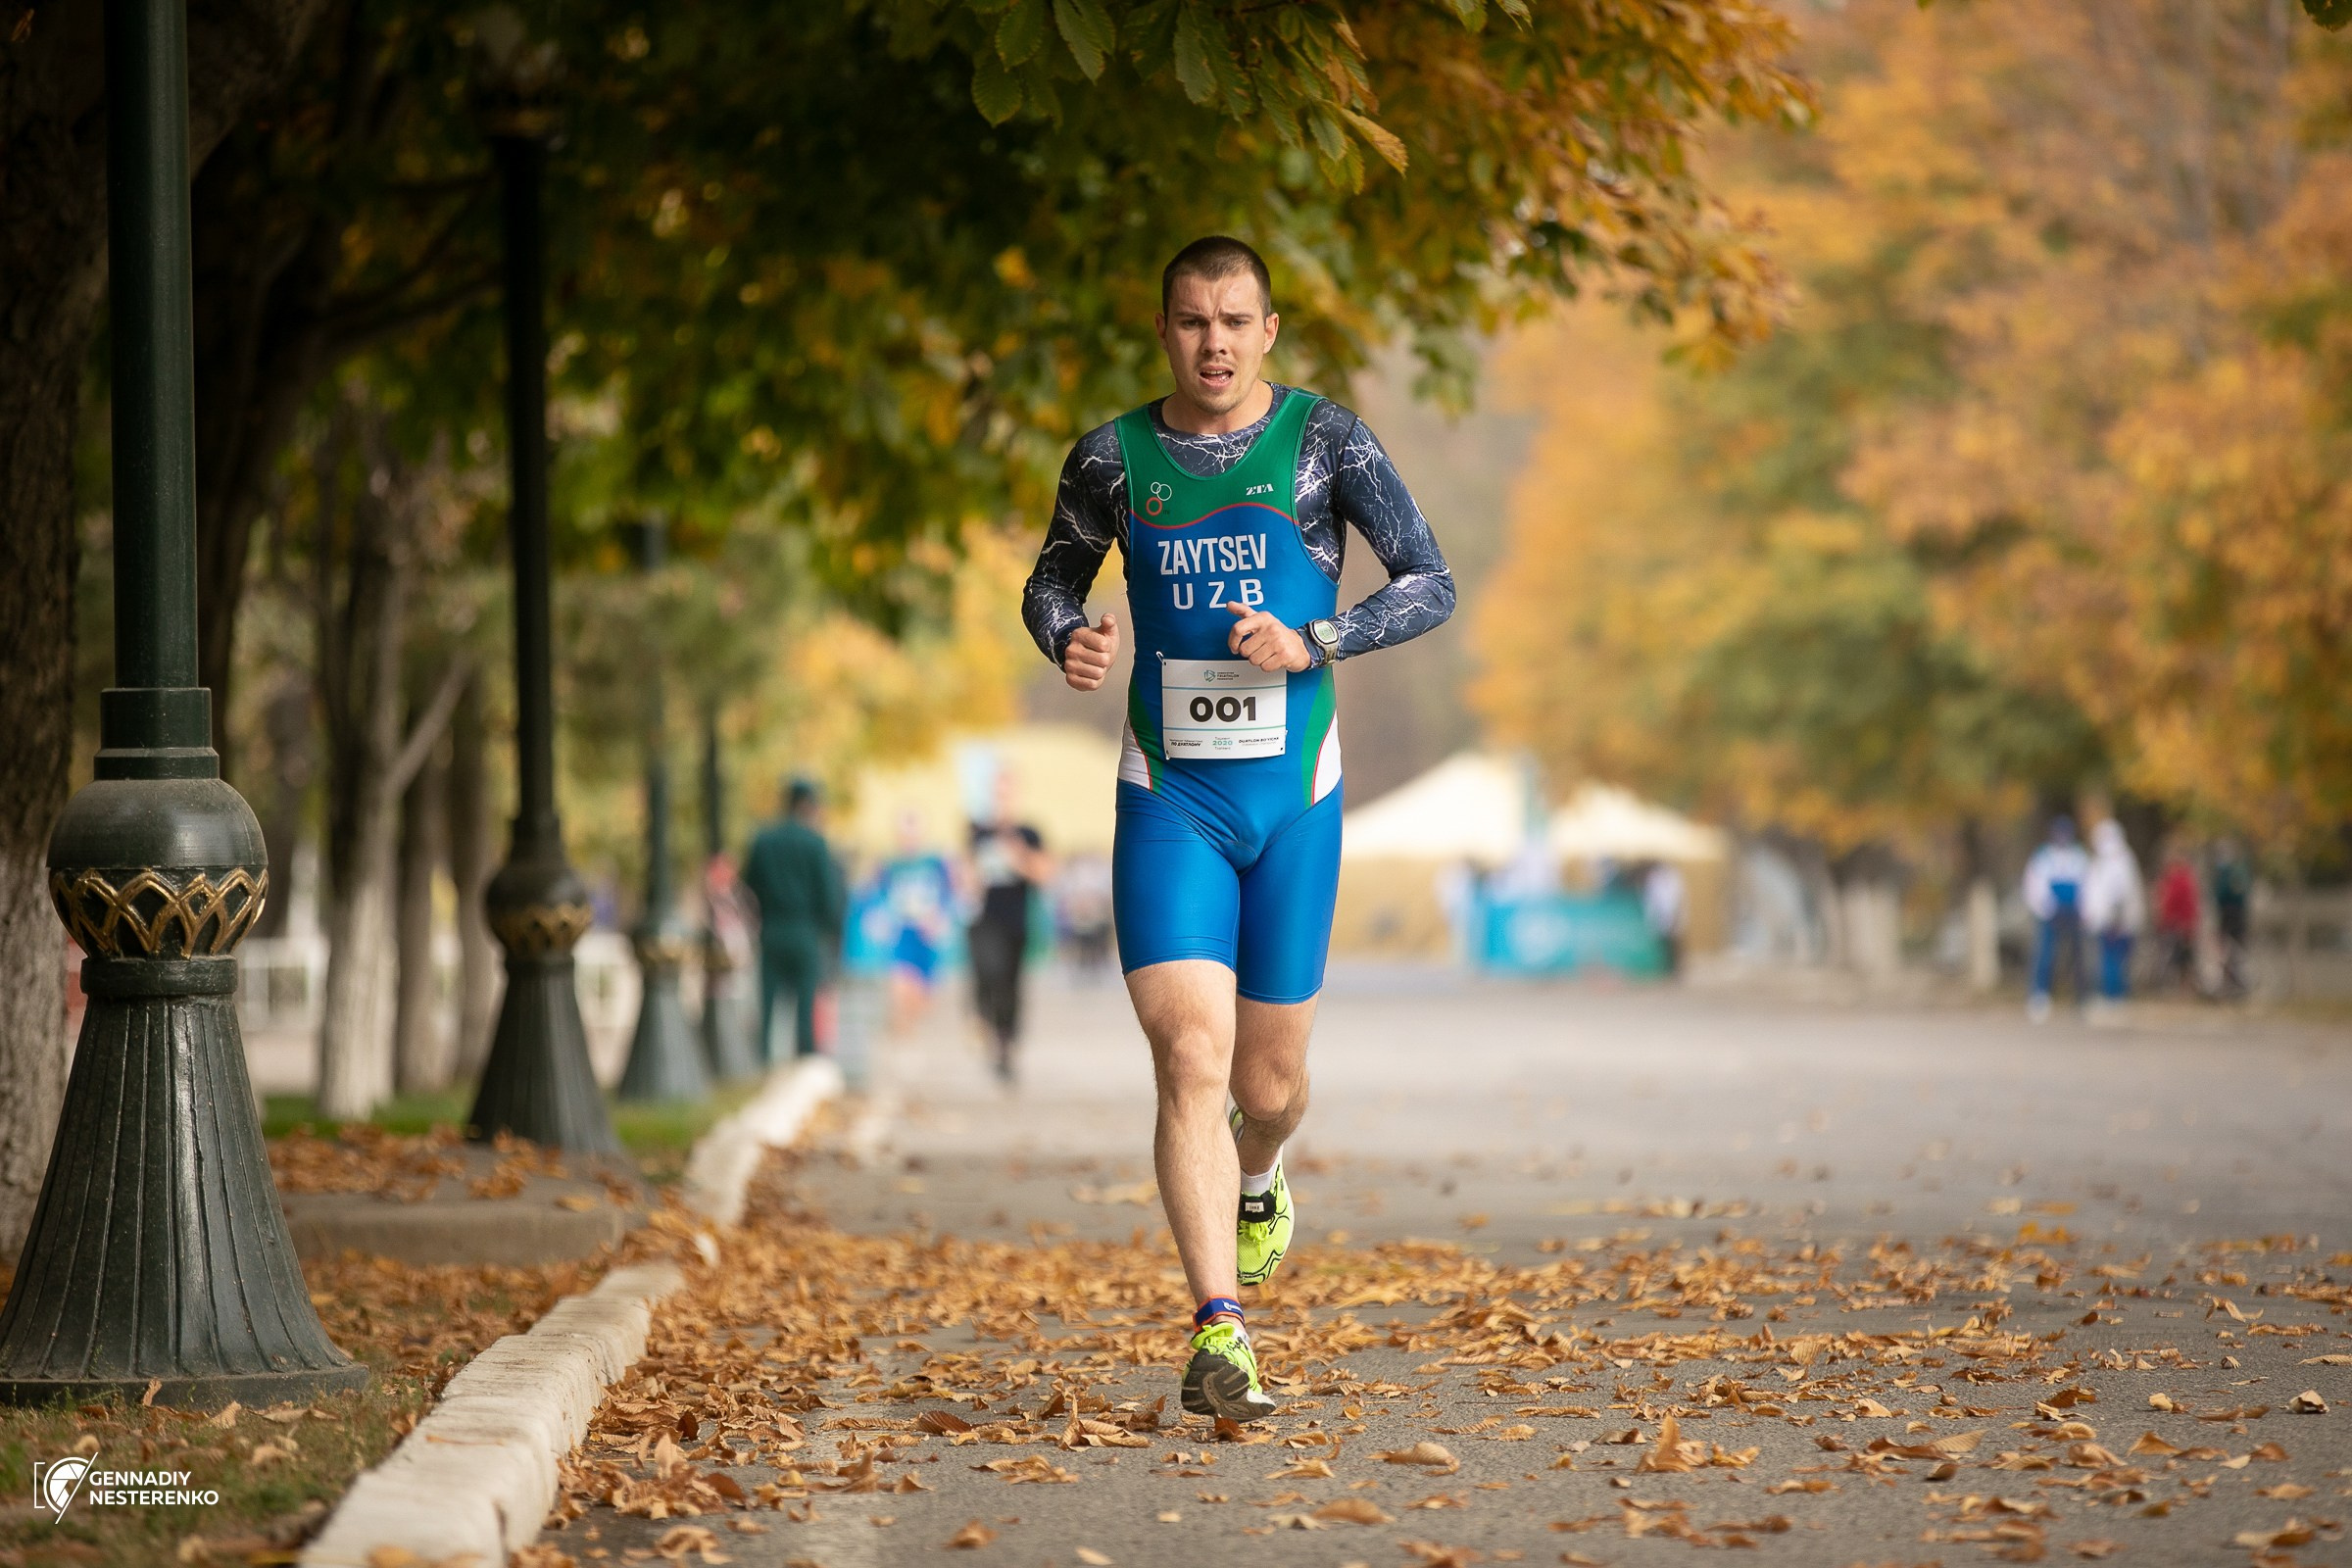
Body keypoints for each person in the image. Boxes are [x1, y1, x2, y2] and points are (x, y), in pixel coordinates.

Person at [1022, 235, 1454, 1421]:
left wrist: (1320, 638)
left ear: (1268, 330)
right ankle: (1220, 1329)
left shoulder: (1326, 440)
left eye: (1234, 320)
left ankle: (1261, 1173)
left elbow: (1428, 579)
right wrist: (1070, 636)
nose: (1213, 341)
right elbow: (1051, 580)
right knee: (1188, 1056)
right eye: (1191, 320)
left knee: (1268, 1083)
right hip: (1171, 799)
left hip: (1294, 801)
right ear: (1164, 331)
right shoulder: (1113, 458)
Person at [739, 777, 846, 1061]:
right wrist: (829, 928)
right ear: (806, 804)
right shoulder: (815, 842)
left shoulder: (763, 840)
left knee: (768, 998)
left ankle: (762, 1054)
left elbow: (748, 883)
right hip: (806, 930)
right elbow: (827, 892)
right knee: (805, 998)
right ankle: (804, 1053)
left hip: (771, 926)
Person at [967, 774, 1051, 1085]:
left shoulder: (1029, 832)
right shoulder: (978, 831)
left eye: (1007, 792)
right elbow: (966, 873)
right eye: (997, 792)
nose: (1002, 799)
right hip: (983, 919)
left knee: (1011, 986)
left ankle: (1005, 1045)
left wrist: (1019, 854)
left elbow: (1044, 873)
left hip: (1016, 920)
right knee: (988, 973)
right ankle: (983, 1019)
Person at [874, 811, 957, 1037]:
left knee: (925, 1000)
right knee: (900, 990)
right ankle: (902, 1034)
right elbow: (878, 896)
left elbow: (949, 894)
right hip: (902, 934)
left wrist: (938, 919)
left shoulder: (935, 862)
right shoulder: (889, 864)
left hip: (927, 937)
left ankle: (906, 1024)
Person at [2022, 814, 2089, 1022]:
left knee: (2078, 957)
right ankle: (2040, 995)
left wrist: (2085, 910)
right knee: (2045, 954)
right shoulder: (2043, 857)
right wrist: (2045, 907)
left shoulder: (2079, 856)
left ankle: (2081, 998)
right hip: (2050, 913)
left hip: (2074, 911)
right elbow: (2033, 885)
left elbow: (2088, 885)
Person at [2082, 819, 2145, 1010]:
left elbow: (2119, 892)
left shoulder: (2118, 860)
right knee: (2111, 960)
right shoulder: (2106, 860)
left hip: (2114, 921)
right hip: (2105, 920)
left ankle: (2114, 996)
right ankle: (2113, 995)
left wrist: (2115, 919)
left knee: (2113, 960)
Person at [2152, 845, 2200, 994]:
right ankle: (2183, 987)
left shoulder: (2180, 879)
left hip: (2180, 925)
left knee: (2182, 958)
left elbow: (2176, 902)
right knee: (2181, 958)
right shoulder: (2180, 878)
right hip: (2179, 924)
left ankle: (2185, 988)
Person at [2210, 838, 2252, 998]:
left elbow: (2231, 892)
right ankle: (2229, 983)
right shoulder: (2226, 871)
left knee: (2233, 948)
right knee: (2226, 949)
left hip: (2233, 913)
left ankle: (2239, 981)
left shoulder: (2234, 870)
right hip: (2227, 913)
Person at [1642, 860, 1688, 979]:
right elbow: (1652, 901)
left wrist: (1674, 917)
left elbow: (1677, 898)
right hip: (1660, 917)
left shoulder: (1673, 878)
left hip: (1672, 916)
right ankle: (1665, 970)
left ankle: (1676, 971)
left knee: (1674, 946)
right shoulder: (1654, 879)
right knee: (1662, 946)